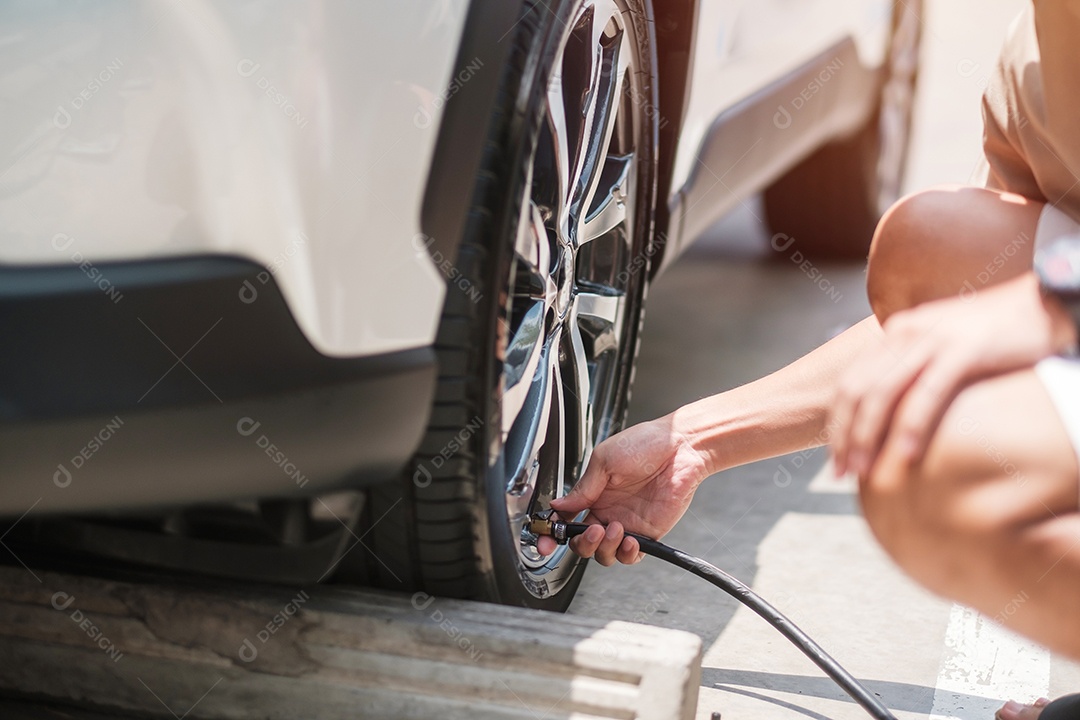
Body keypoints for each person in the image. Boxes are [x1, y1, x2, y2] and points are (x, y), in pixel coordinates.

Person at [536, 3, 1080, 717]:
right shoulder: (1038, 61)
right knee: (929, 247)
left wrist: (1053, 306)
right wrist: (691, 443)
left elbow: (1032, 310)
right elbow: (958, 327)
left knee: (953, 476)